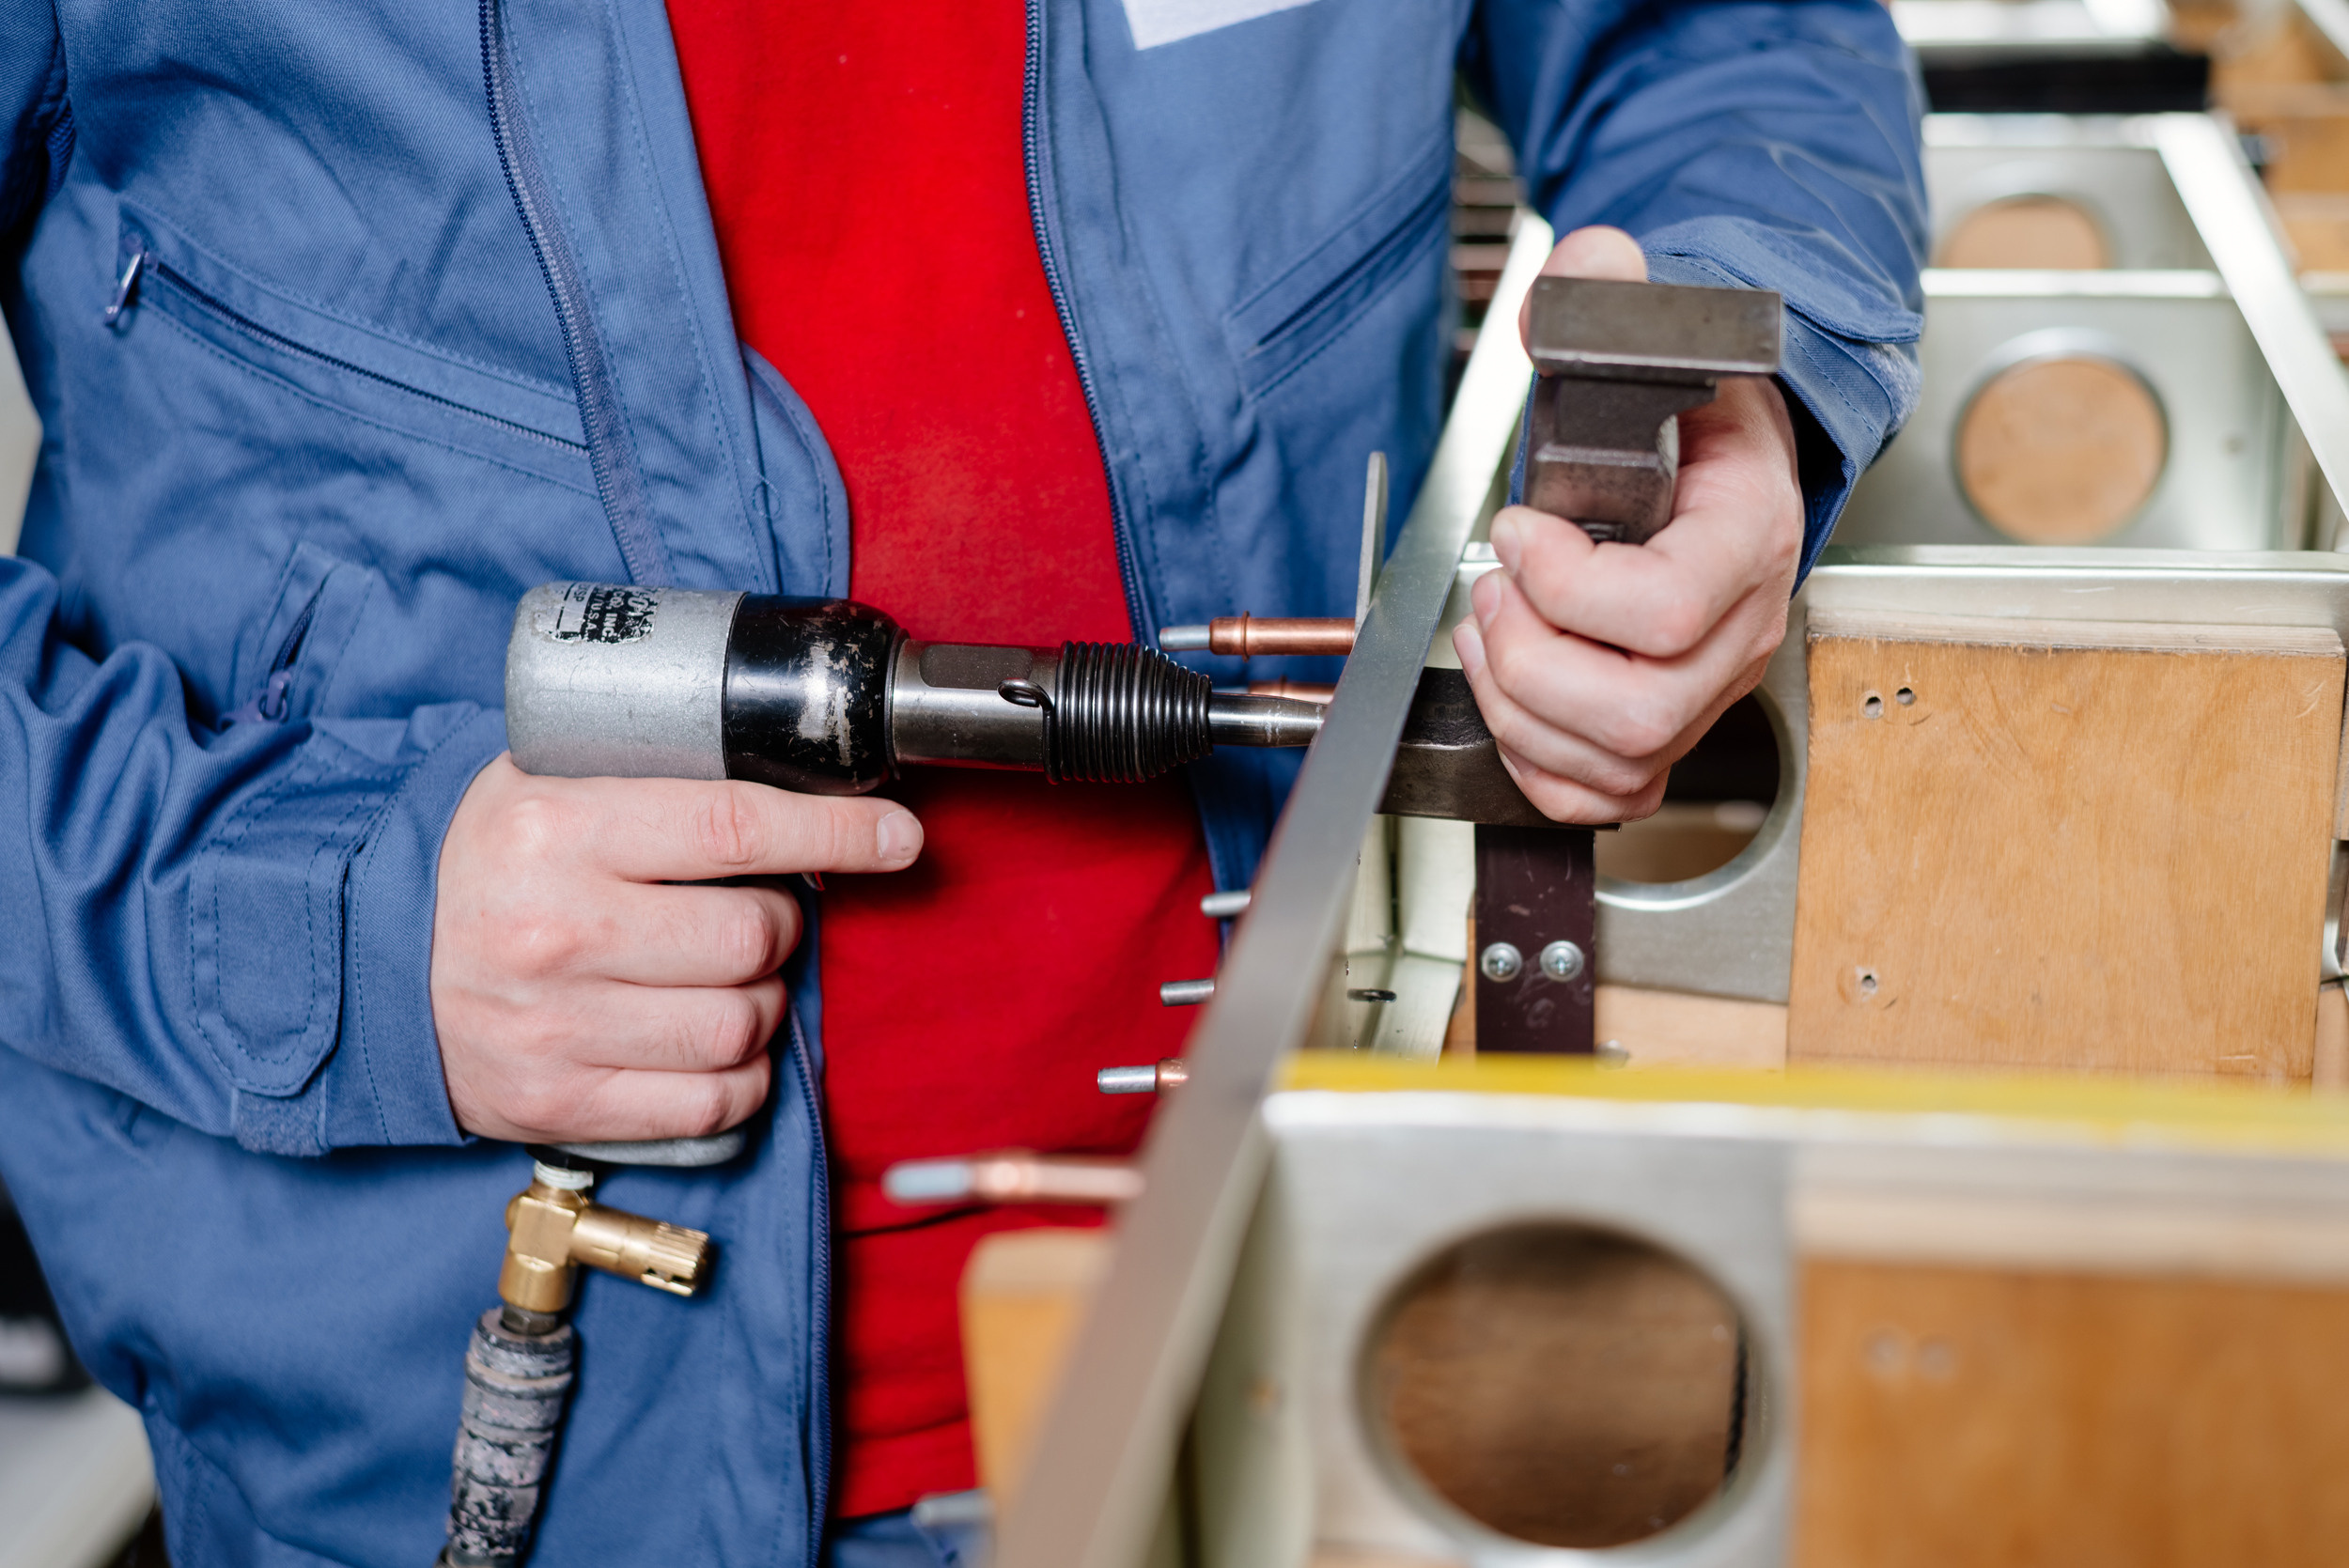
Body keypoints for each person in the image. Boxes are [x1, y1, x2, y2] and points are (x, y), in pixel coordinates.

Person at [0, 1, 1922, 1562]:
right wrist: (322, 919)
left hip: (1309, 1322)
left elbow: (1718, 39)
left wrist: (1732, 380)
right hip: (470, 1427)